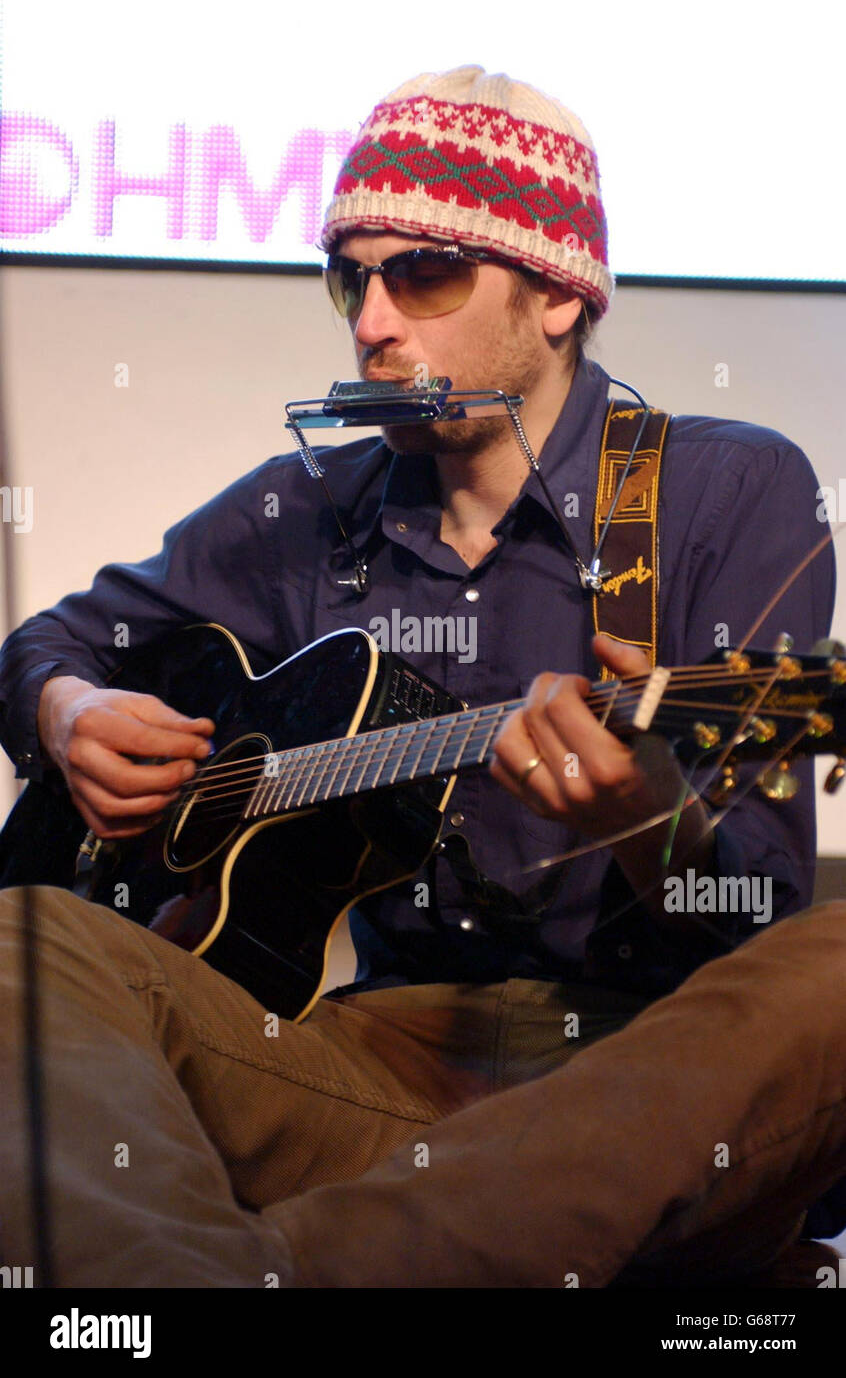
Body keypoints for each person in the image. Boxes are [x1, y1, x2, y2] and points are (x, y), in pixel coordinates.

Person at [0, 65, 843, 1289]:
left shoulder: (729, 490)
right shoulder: (308, 511)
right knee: (28, 936)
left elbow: (754, 914)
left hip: (633, 1082)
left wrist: (647, 823)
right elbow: (48, 647)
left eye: (425, 273)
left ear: (556, 290)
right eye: (355, 278)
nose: (374, 322)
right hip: (360, 1070)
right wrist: (66, 711)